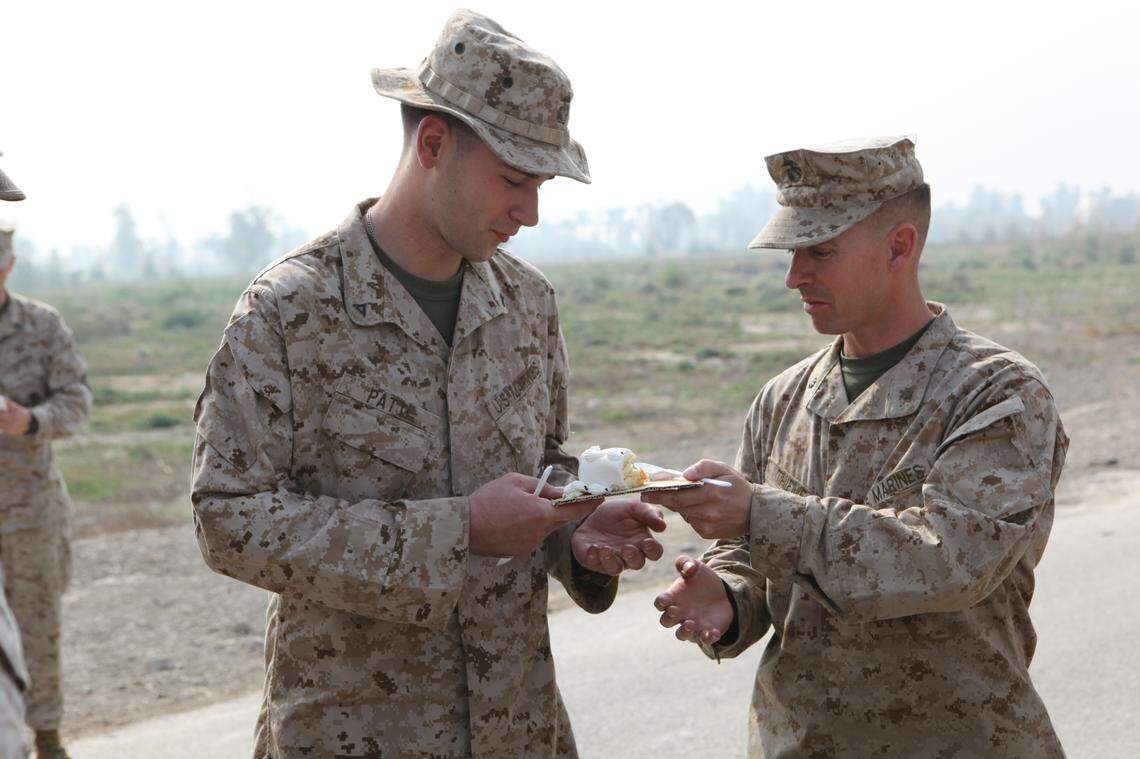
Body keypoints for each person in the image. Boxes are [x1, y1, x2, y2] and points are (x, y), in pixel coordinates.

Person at [191, 10, 665, 757]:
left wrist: (576, 523)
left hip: (519, 726)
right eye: (513, 180)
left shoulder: (528, 304)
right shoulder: (289, 312)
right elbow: (228, 520)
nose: (530, 213)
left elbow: (540, 462)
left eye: (541, 185)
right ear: (434, 143)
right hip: (355, 732)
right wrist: (459, 530)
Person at [644, 136, 1068, 757]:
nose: (795, 276)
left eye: (820, 250)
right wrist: (729, 598)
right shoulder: (782, 399)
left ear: (899, 246)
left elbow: (948, 561)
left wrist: (757, 512)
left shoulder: (998, 395)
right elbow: (753, 557)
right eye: (793, 252)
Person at [0, 151, 92, 759]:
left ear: (7, 263)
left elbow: (78, 401)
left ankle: (47, 735)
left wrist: (30, 421)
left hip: (30, 509)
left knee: (37, 629)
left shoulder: (41, 326)